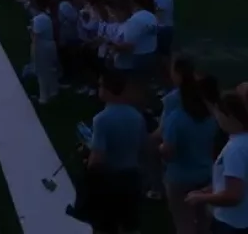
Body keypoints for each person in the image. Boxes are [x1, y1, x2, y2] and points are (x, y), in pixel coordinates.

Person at [76, 69, 146, 233]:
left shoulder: (101, 119)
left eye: (101, 85)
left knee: (105, 226)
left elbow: (98, 157)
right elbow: (143, 146)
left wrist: (87, 164)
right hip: (132, 178)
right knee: (129, 224)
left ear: (108, 90)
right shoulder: (137, 116)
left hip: (109, 180)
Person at [158, 56, 218, 234]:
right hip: (206, 174)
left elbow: (168, 150)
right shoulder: (212, 117)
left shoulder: (176, 118)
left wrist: (160, 150)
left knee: (184, 223)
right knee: (204, 221)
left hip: (179, 177)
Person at [185, 91, 248, 230]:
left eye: (218, 114)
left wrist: (201, 198)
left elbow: (233, 196)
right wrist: (209, 190)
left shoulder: (236, 149)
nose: (216, 119)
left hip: (232, 224)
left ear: (229, 116)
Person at [111, 0, 158, 99]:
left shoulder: (135, 20)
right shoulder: (151, 16)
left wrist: (112, 46)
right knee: (143, 85)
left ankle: (137, 108)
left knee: (134, 87)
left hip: (139, 57)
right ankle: (146, 107)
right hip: (152, 54)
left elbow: (128, 45)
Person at [144, 0, 175, 80]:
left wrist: (152, 25)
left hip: (162, 29)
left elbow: (160, 11)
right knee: (163, 58)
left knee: (162, 59)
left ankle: (168, 83)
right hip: (166, 28)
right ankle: (166, 82)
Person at [30, 0, 59, 105]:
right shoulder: (46, 16)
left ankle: (43, 97)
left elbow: (35, 36)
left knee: (41, 72)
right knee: (50, 70)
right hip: (50, 44)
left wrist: (33, 51)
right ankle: (53, 91)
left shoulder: (38, 19)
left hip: (42, 46)